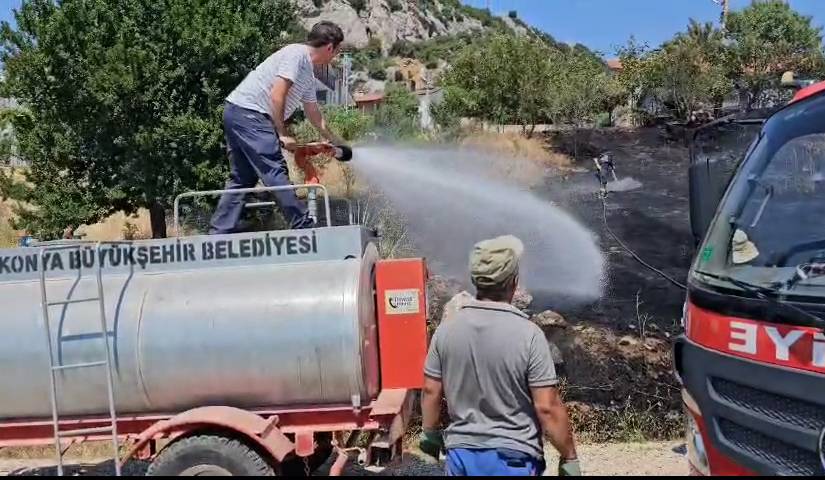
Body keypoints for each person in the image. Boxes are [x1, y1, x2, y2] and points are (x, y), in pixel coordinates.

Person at [419, 235, 581, 477]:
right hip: (513, 458)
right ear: (514, 283)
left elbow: (431, 391)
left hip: (461, 456)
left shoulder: (446, 331)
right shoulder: (529, 335)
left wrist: (430, 433)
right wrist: (568, 455)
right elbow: (547, 406)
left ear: (476, 281)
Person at [209, 22, 346, 234]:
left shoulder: (307, 73)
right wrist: (282, 133)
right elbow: (277, 94)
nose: (335, 56)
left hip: (238, 111)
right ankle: (302, 226)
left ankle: (218, 234)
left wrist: (334, 140)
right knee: (274, 169)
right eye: (337, 51)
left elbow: (313, 112)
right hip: (250, 113)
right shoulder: (296, 55)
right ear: (330, 48)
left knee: (242, 177)